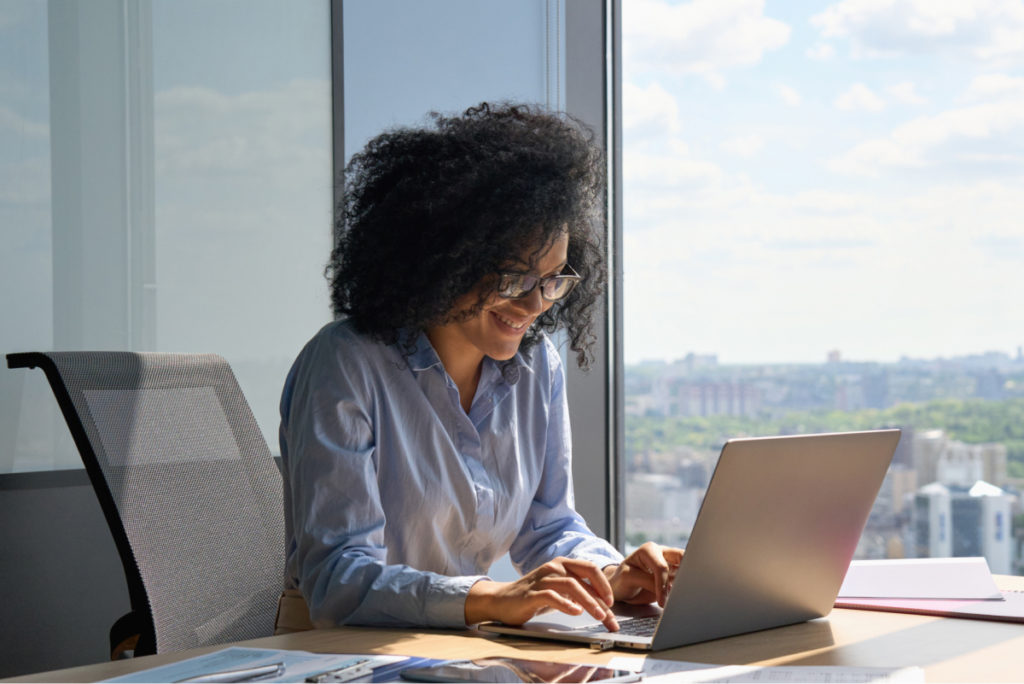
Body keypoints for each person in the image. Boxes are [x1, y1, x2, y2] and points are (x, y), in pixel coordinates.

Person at [278, 102, 682, 633]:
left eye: (555, 279)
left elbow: (549, 526)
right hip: (341, 657)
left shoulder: (537, 367)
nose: (537, 303)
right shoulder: (346, 364)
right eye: (515, 277)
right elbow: (338, 579)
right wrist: (490, 597)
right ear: (444, 258)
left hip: (457, 649)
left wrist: (609, 572)